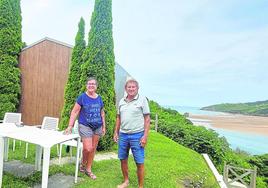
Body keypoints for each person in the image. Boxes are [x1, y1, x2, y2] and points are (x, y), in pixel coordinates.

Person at [64, 77, 105, 180]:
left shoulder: (99, 98)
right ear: (86, 86)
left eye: (93, 84)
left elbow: (102, 113)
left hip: (98, 126)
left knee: (93, 149)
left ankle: (88, 169)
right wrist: (70, 126)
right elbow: (74, 111)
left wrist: (104, 126)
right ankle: (83, 162)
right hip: (85, 125)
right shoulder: (82, 97)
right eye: (89, 84)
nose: (91, 86)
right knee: (88, 148)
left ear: (96, 86)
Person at [113, 78, 150, 188]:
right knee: (123, 159)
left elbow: (147, 119)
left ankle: (140, 186)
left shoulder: (142, 100)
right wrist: (116, 132)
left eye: (133, 87)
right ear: (126, 88)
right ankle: (126, 181)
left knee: (139, 161)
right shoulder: (121, 101)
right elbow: (118, 118)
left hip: (137, 135)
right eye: (129, 87)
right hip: (123, 135)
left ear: (137, 88)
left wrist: (145, 136)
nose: (131, 89)